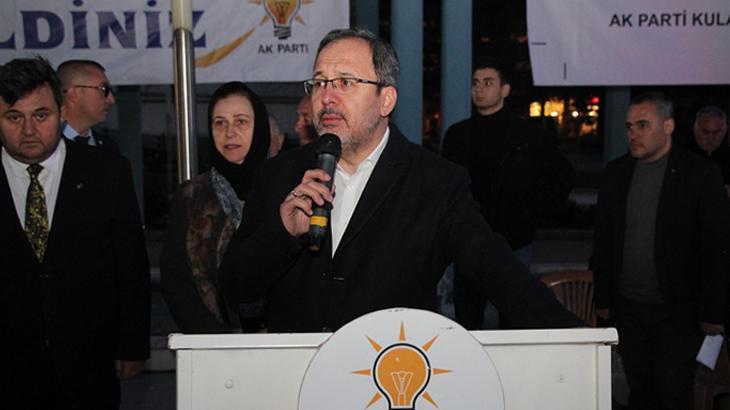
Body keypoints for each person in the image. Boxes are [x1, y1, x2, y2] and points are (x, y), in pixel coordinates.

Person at [220, 28, 582, 333]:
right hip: (294, 375)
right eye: (319, 82)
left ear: (386, 100)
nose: (326, 97)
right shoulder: (277, 175)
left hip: (389, 376)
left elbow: (502, 276)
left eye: (345, 82)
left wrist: (581, 342)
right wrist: (282, 234)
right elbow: (233, 289)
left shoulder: (435, 183)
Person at [0, 57, 150, 408]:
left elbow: (130, 263)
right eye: (14, 117)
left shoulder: (107, 172)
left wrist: (132, 344)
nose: (28, 130)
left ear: (62, 112)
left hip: (89, 362)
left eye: (41, 115)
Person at [590, 92, 730, 410]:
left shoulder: (699, 174)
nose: (633, 134)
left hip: (678, 312)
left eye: (643, 125)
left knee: (673, 393)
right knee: (640, 392)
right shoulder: (616, 173)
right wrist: (604, 300)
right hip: (628, 310)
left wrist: (712, 313)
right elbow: (604, 241)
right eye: (629, 126)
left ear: (668, 126)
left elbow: (716, 246)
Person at [442, 59, 575, 329]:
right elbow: (443, 186)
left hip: (514, 244)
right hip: (467, 244)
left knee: (515, 324)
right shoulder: (457, 135)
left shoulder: (528, 134)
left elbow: (563, 175)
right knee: (467, 325)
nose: (479, 89)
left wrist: (532, 214)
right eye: (475, 83)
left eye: (488, 82)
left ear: (505, 90)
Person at [160, 82, 270, 333]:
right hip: (209, 342)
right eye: (219, 123)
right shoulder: (192, 195)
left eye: (241, 121)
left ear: (260, 127)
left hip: (281, 341)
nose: (229, 132)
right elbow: (176, 280)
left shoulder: (285, 188)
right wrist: (216, 339)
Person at [57, 60, 119, 150]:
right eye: (103, 89)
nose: (111, 100)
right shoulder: (45, 145)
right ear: (75, 94)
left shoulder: (109, 147)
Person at [691, 106, 730, 192]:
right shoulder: (680, 154)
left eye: (716, 132)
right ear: (695, 129)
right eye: (704, 132)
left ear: (725, 130)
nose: (710, 138)